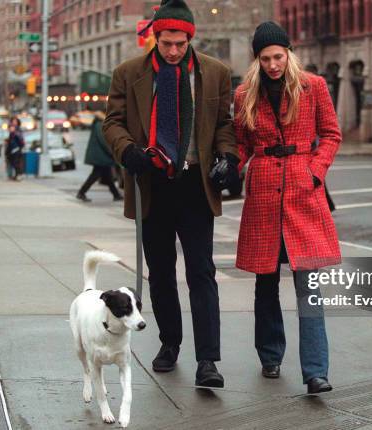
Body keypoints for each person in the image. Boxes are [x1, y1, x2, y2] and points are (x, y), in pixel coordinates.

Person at [103, 0, 239, 388]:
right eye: (166, 43)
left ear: (189, 38)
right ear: (155, 38)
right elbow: (111, 123)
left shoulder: (215, 73)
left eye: (180, 43)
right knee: (160, 274)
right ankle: (169, 343)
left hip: (197, 185)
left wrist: (228, 156)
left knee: (202, 273)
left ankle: (209, 360)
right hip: (152, 186)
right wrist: (127, 149)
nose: (174, 51)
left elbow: (225, 125)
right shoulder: (128, 73)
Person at [233, 22, 341, 394]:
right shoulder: (245, 92)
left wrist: (315, 172)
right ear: (257, 59)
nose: (273, 65)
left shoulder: (314, 87)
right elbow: (242, 143)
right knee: (265, 284)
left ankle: (316, 371)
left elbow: (331, 135)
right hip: (263, 193)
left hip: (302, 190)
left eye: (278, 56)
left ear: (289, 53)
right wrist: (230, 166)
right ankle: (270, 356)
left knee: (308, 286)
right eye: (266, 58)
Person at [76, 111, 123, 202]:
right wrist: (112, 152)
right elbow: (104, 141)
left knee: (107, 176)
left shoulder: (99, 123)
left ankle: (116, 194)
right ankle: (81, 192)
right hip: (100, 155)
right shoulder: (100, 124)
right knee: (95, 175)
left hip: (100, 155)